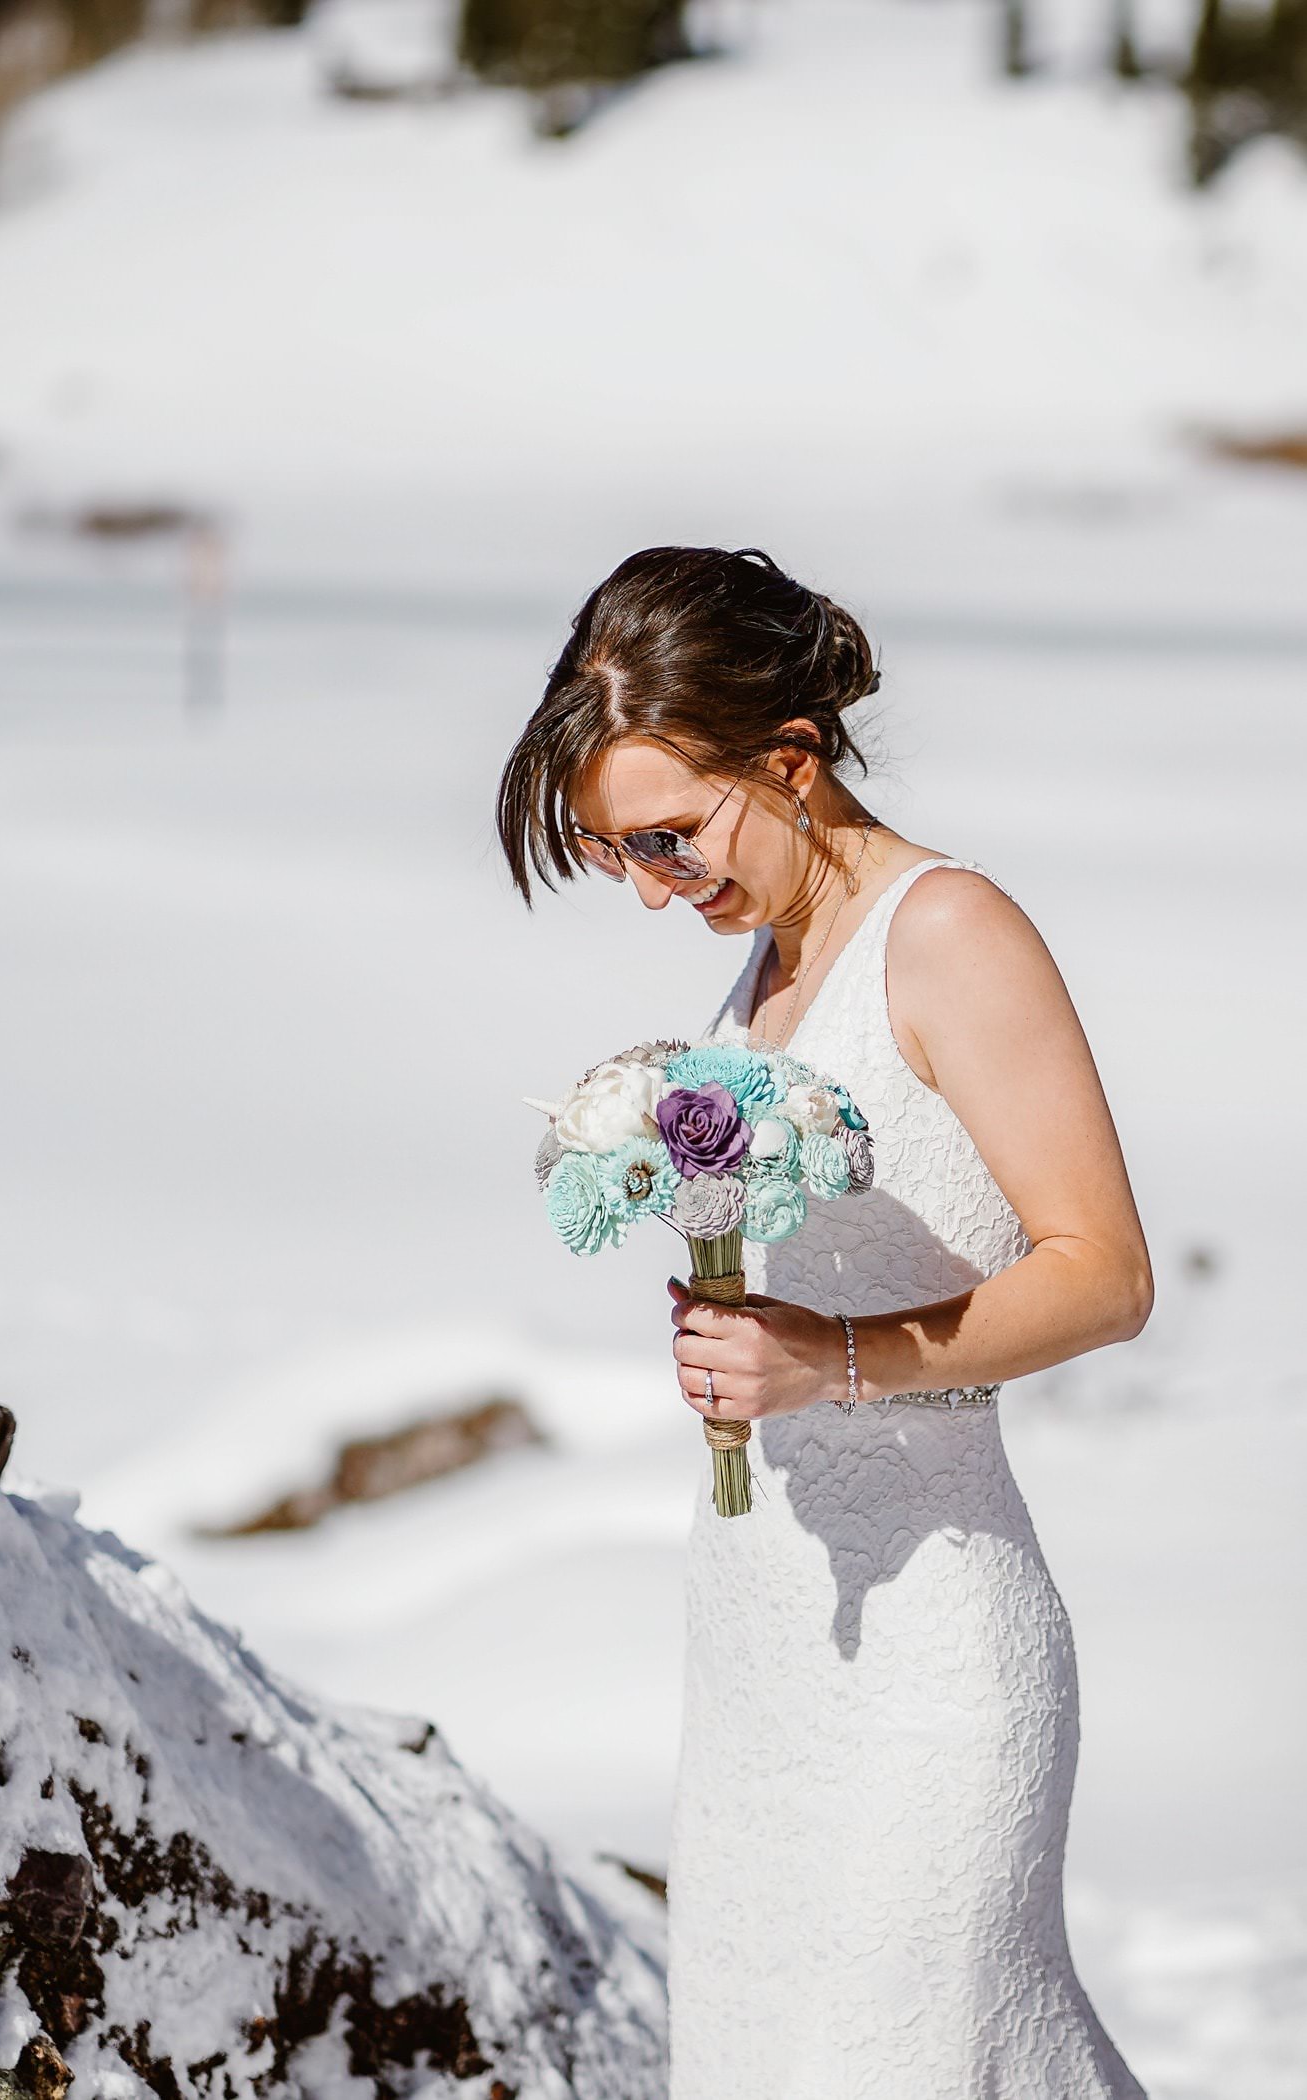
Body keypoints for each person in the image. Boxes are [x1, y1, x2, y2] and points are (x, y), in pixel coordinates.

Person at [495, 545, 1152, 2098]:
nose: (659, 886)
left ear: (788, 760)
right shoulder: (765, 966)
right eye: (623, 857)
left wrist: (833, 1359)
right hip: (762, 1643)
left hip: (936, 1651)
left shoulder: (949, 932)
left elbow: (1104, 1270)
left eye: (671, 837)